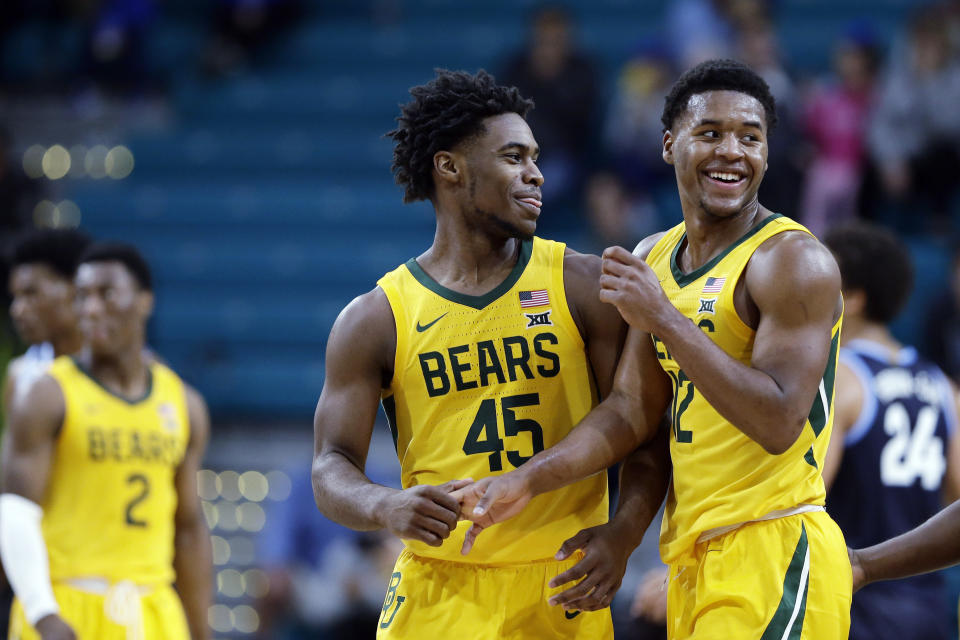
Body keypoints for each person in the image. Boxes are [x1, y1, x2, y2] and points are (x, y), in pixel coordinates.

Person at [456, 58, 851, 638]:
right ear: (670, 145)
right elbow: (632, 413)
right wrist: (536, 482)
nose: (732, 152)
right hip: (691, 559)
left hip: (775, 547)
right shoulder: (654, 258)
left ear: (767, 154)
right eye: (710, 133)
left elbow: (778, 420)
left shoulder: (792, 259)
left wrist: (664, 317)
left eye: (751, 137)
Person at [311, 68, 672, 639]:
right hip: (438, 592)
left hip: (560, 586)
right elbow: (330, 464)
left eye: (535, 158)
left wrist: (624, 534)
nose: (536, 175)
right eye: (514, 157)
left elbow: (644, 428)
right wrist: (384, 505)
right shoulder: (375, 318)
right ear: (450, 167)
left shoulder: (581, 285)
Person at [0, 242, 212, 640]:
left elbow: (188, 526)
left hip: (152, 608)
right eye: (82, 297)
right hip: (65, 602)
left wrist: (200, 628)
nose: (91, 309)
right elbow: (14, 509)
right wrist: (42, 613)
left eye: (106, 294)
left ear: (145, 301)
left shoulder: (183, 402)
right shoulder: (44, 392)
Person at [819, 222, 960, 639]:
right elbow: (956, 495)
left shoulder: (839, 381)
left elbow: (804, 497)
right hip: (928, 605)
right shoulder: (944, 387)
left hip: (854, 596)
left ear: (853, 300)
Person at [4, 229, 91, 411]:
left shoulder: (139, 372)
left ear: (76, 288)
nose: (17, 310)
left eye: (31, 293)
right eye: (15, 297)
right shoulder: (21, 376)